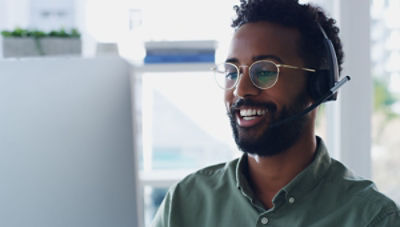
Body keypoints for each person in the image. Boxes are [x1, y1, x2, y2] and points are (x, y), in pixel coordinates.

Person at [152, 0, 400, 226]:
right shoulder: (185, 203)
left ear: (318, 86)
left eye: (265, 71)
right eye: (232, 73)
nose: (241, 89)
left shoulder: (370, 217)